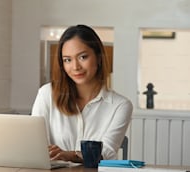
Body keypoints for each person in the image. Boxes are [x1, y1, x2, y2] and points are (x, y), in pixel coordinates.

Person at [31, 24, 133, 162]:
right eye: (67, 60)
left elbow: (107, 152)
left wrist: (70, 155)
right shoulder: (46, 95)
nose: (75, 67)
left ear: (98, 57)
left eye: (83, 57)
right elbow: (37, 148)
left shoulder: (120, 105)